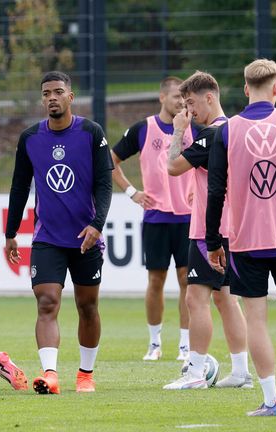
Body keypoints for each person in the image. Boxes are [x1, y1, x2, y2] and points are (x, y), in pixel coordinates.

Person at [206, 59, 276, 416]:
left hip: (246, 241)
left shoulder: (227, 132)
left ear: (246, 89)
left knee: (257, 319)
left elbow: (215, 191)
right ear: (275, 89)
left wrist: (213, 240)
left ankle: (271, 400)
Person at [5, 71, 112, 394]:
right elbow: (19, 186)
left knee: (87, 306)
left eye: (58, 92)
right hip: (47, 237)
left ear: (70, 96)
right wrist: (11, 232)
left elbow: (104, 184)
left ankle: (85, 374)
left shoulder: (91, 133)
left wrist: (97, 225)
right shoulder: (30, 138)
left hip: (85, 238)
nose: (51, 97)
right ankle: (50, 375)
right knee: (47, 302)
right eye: (46, 93)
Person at [163, 71, 251, 390]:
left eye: (191, 103)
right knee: (226, 300)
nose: (188, 111)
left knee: (195, 298)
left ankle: (196, 371)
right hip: (236, 228)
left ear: (209, 97)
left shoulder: (211, 134)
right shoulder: (237, 131)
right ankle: (241, 371)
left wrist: (178, 131)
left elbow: (173, 166)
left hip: (208, 230)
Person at [112, 76, 200, 361]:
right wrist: (131, 192)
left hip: (188, 218)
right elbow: (110, 160)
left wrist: (200, 193)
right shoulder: (143, 129)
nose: (181, 102)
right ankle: (154, 342)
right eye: (176, 96)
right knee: (156, 280)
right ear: (162, 97)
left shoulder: (194, 129)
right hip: (156, 218)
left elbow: (212, 163)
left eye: (184, 98)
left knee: (188, 280)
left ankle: (185, 344)